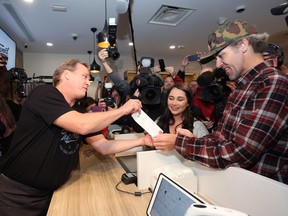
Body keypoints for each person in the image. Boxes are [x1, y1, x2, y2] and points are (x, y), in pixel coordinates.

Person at [0, 59, 153, 215]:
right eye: (84, 77)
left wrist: (142, 141)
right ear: (66, 75)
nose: (88, 82)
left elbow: (103, 146)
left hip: (49, 194)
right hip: (17, 194)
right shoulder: (44, 93)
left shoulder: (80, 112)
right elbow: (81, 125)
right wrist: (122, 110)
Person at [151, 19, 288, 184]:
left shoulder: (272, 83)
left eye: (221, 55)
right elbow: (220, 137)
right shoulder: (242, 86)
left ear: (243, 45)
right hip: (239, 185)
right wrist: (193, 140)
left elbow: (240, 153)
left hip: (265, 195)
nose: (218, 64)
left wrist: (179, 143)